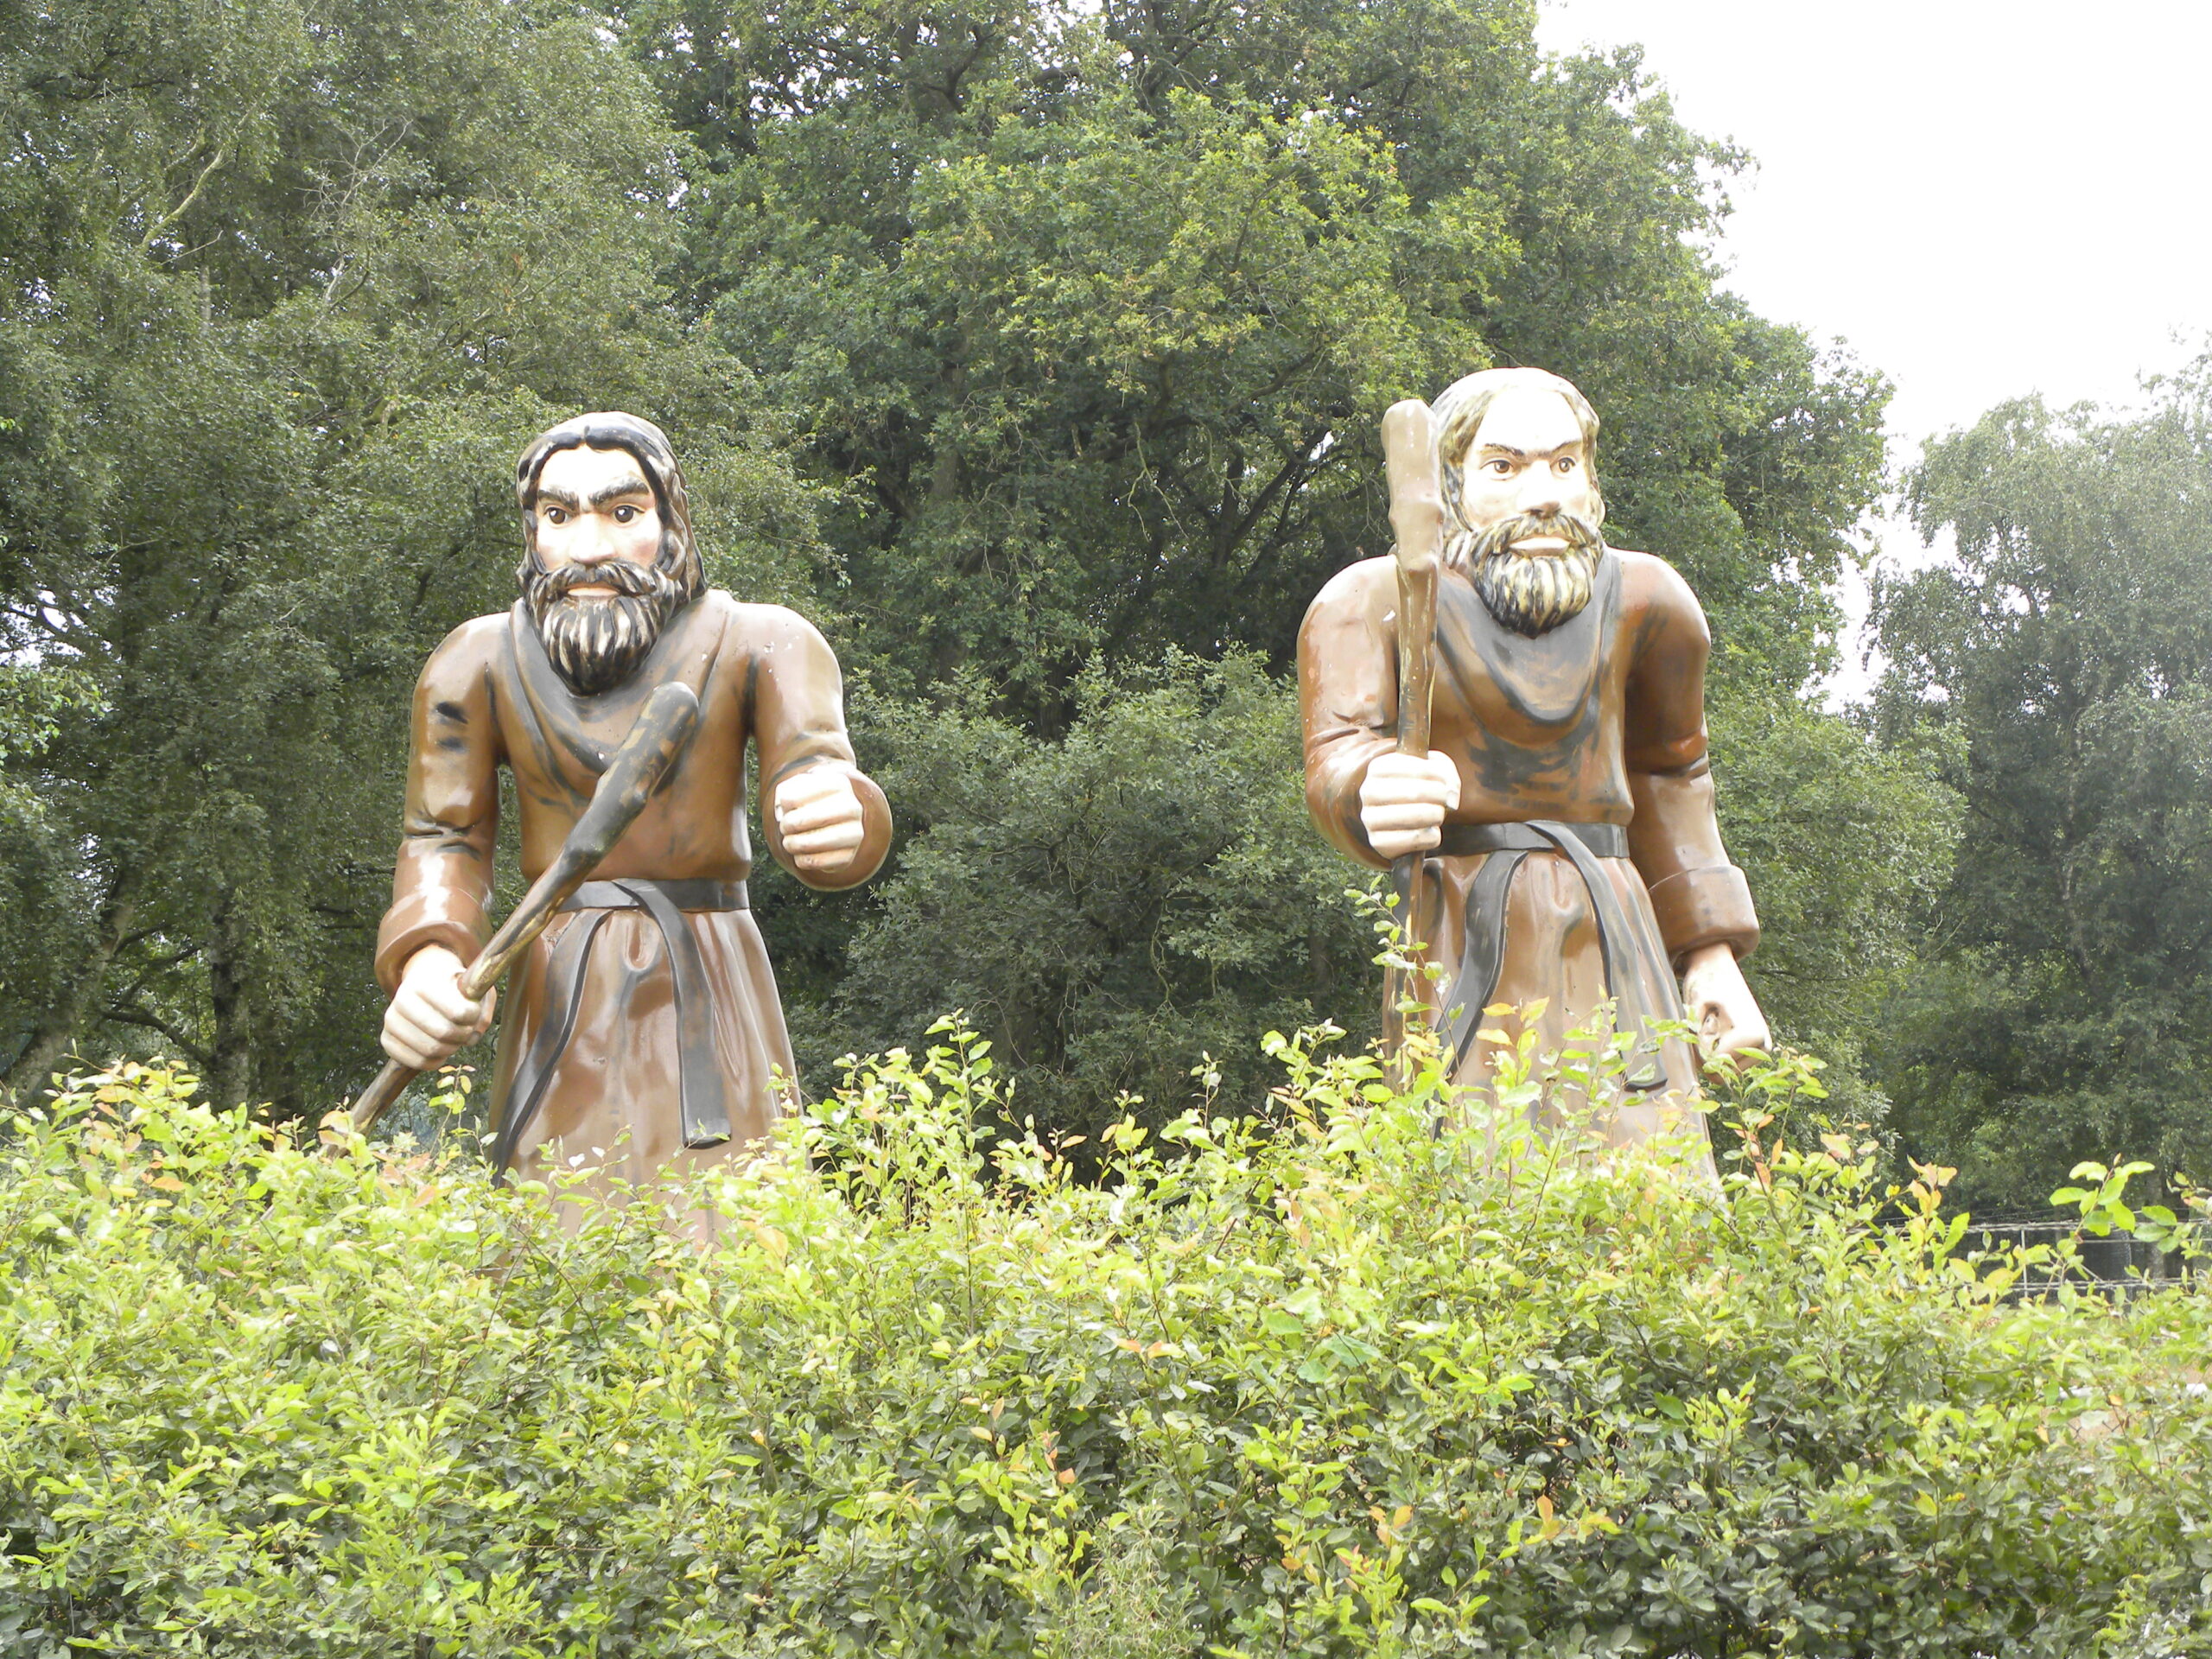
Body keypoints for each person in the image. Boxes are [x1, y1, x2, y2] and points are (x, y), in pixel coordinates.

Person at [375, 412, 890, 1208]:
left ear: (669, 521)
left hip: (710, 981)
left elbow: (817, 768)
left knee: (731, 1231)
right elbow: (442, 837)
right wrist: (431, 957)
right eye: (557, 516)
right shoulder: (474, 662)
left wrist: (835, 812)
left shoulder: (765, 642)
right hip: (556, 988)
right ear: (532, 532)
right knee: (554, 1234)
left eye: (621, 514)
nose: (588, 549)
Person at [1298, 367, 1766, 1148]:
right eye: (1504, 467)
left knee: (1647, 1169)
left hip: (1617, 936)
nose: (1542, 493)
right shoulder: (1368, 600)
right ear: (1450, 484)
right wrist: (1371, 787)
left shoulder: (1649, 603)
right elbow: (1339, 751)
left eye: (1563, 463)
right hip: (1463, 927)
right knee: (1479, 1168)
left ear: (1591, 480)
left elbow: (1671, 775)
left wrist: (1711, 955)